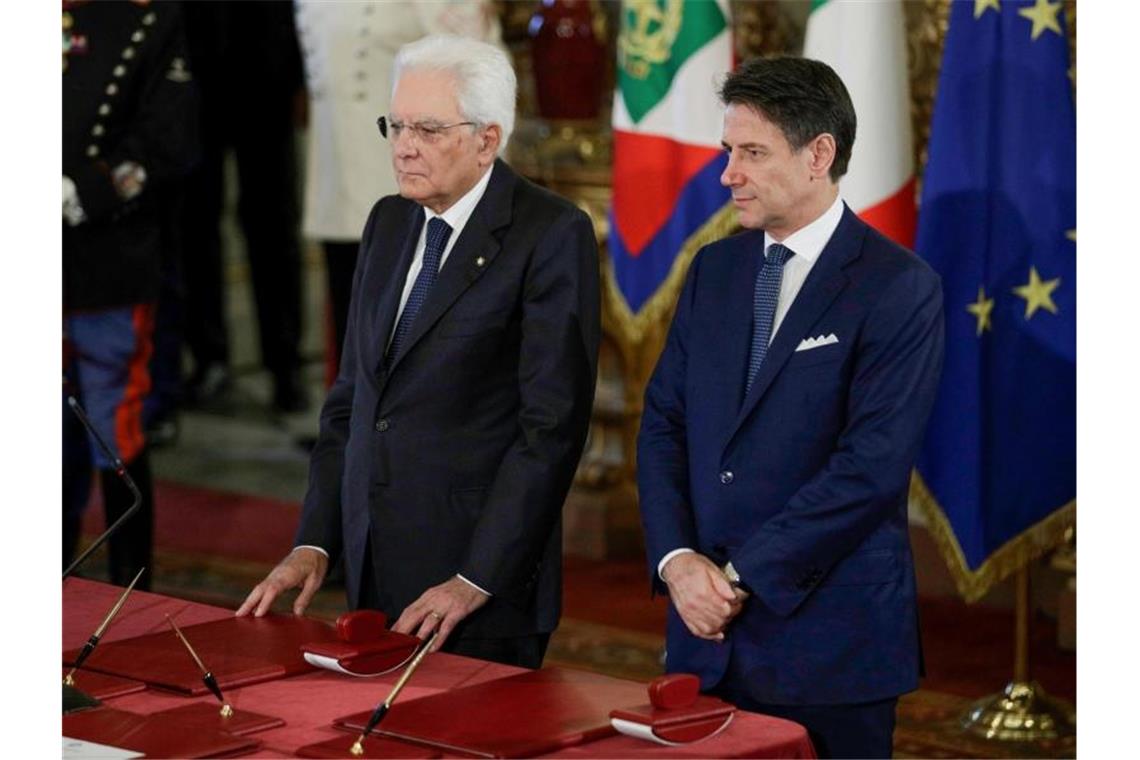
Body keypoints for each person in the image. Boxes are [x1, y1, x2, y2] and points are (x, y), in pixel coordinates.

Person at [238, 35, 601, 671]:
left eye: (429, 129)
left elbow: (551, 430)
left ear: (488, 139)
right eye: (397, 125)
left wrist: (475, 579)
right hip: (374, 566)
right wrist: (318, 540)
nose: (404, 146)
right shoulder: (387, 221)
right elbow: (350, 403)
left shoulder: (550, 233)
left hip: (477, 593)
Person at [636, 56, 944, 758]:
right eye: (727, 152)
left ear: (819, 155)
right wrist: (679, 563)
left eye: (751, 153)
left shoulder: (899, 288)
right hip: (702, 637)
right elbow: (663, 426)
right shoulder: (713, 269)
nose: (728, 174)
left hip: (827, 645)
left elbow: (870, 469)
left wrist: (737, 581)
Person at [62, 0, 199, 588]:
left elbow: (172, 141)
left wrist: (84, 191)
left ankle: (128, 594)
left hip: (105, 259)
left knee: (114, 426)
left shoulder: (151, 17)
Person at [294, 0, 499, 382]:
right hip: (336, 174)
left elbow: (482, 72)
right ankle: (350, 426)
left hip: (411, 184)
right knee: (348, 316)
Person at [179, 0, 308, 413]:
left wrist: (301, 79)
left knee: (273, 225)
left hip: (267, 73)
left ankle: (285, 364)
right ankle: (209, 356)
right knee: (195, 226)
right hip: (193, 80)